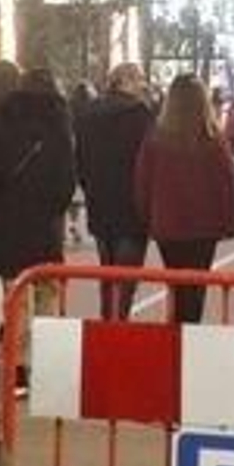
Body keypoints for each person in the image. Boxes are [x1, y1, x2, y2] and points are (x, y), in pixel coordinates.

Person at [0, 65, 77, 383]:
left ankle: (17, 367)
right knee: (46, 292)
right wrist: (53, 208)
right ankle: (45, 364)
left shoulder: (6, 121)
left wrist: (3, 201)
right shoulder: (59, 125)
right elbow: (66, 181)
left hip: (11, 218)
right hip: (45, 221)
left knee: (15, 295)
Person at [133, 74, 234, 324]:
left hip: (167, 225)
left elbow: (142, 184)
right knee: (196, 287)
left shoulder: (155, 140)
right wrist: (230, 223)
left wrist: (147, 218)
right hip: (205, 227)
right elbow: (228, 185)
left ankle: (178, 331)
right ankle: (188, 333)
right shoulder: (214, 141)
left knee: (176, 282)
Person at [76, 63, 154, 318]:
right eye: (140, 80)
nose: (143, 85)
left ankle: (106, 321)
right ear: (127, 81)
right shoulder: (139, 115)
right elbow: (147, 160)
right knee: (127, 275)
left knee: (107, 271)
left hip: (99, 200)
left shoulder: (88, 113)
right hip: (131, 204)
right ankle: (119, 326)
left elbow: (81, 157)